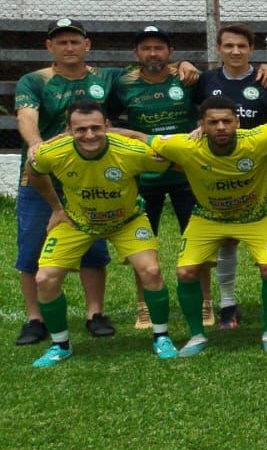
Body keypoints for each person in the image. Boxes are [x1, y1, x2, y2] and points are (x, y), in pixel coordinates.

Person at [25, 101, 176, 367]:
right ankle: (61, 345)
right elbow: (34, 172)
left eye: (96, 127)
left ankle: (161, 337)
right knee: (45, 278)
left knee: (151, 271)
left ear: (108, 126)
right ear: (68, 131)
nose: (90, 135)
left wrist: (141, 136)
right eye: (81, 129)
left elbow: (172, 161)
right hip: (78, 222)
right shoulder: (51, 153)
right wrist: (56, 208)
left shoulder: (130, 151)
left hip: (127, 220)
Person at [145, 96, 267, 356]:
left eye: (227, 121)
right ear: (201, 125)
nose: (221, 127)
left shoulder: (258, 138)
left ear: (238, 122)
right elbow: (142, 138)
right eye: (213, 122)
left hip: (256, 216)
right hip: (208, 217)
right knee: (185, 272)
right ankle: (196, 335)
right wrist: (104, 130)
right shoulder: (186, 145)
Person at [14, 19, 115, 345]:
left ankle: (95, 313)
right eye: (61, 43)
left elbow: (150, 71)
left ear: (87, 45)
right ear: (49, 47)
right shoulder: (35, 81)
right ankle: (35, 318)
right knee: (31, 249)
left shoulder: (106, 78)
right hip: (40, 177)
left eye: (75, 42)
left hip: (88, 177)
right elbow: (25, 116)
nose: (68, 47)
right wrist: (35, 145)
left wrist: (182, 63)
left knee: (92, 248)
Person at [195, 23, 267, 329]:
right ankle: (228, 305)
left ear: (251, 49)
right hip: (220, 172)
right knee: (227, 237)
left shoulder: (266, 80)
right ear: (219, 49)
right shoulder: (206, 80)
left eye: (241, 46)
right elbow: (196, 116)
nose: (235, 51)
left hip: (264, 172)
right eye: (229, 46)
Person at [111, 25, 210, 331]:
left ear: (171, 53)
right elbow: (108, 125)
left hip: (185, 173)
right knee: (143, 243)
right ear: (136, 53)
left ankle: (205, 303)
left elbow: (211, 112)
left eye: (158, 48)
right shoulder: (123, 84)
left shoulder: (188, 79)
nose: (152, 53)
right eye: (145, 48)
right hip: (145, 175)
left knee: (196, 239)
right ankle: (144, 307)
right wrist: (139, 140)